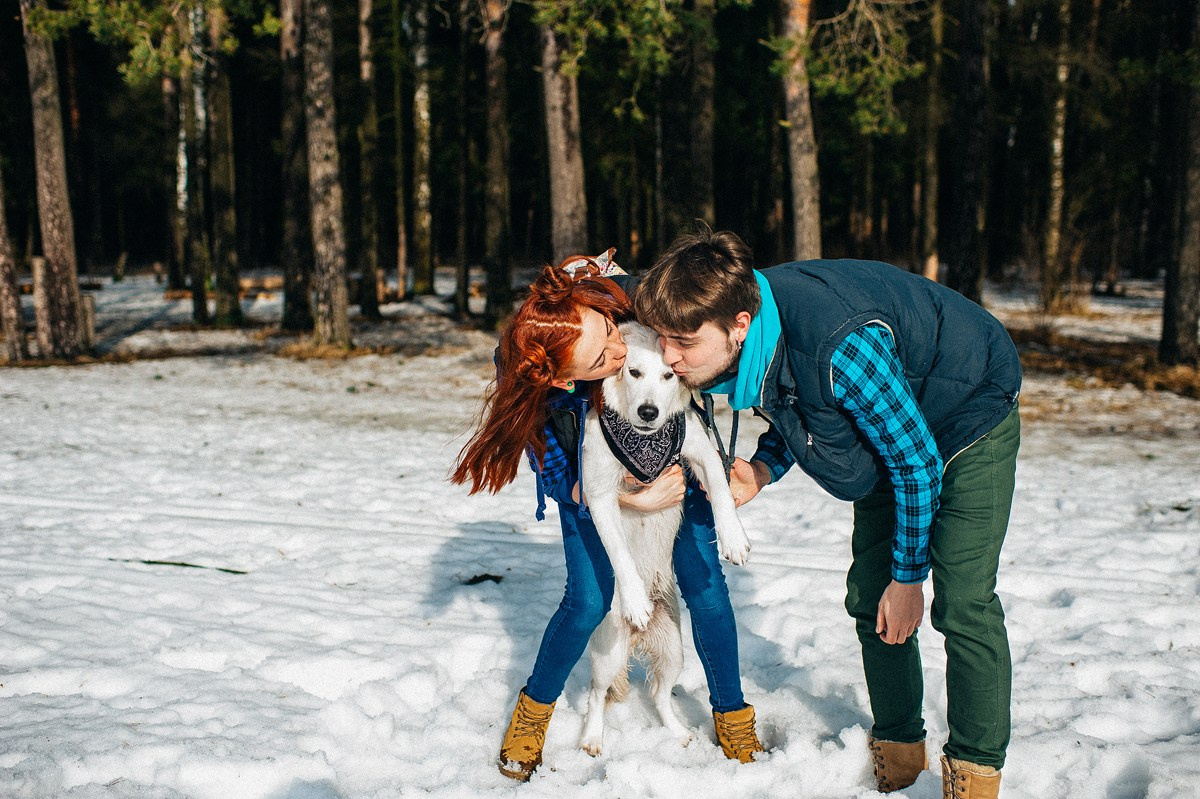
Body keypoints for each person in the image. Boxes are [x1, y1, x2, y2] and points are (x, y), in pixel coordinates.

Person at [634, 228, 1021, 799]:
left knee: (962, 601)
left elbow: (914, 463)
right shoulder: (752, 336)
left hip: (967, 409)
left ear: (738, 325)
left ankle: (975, 769)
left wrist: (910, 576)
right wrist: (764, 468)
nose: (668, 356)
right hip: (895, 422)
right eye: (663, 337)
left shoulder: (842, 345)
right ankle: (898, 749)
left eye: (683, 341)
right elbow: (807, 403)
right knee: (872, 597)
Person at [451, 252, 763, 782]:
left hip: (671, 458)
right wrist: (628, 499)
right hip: (588, 481)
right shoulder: (535, 379)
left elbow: (697, 349)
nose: (619, 355)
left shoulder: (636, 302)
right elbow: (552, 464)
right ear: (564, 380)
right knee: (589, 599)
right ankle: (533, 715)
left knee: (706, 588)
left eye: (612, 340)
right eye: (601, 365)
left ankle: (733, 715)